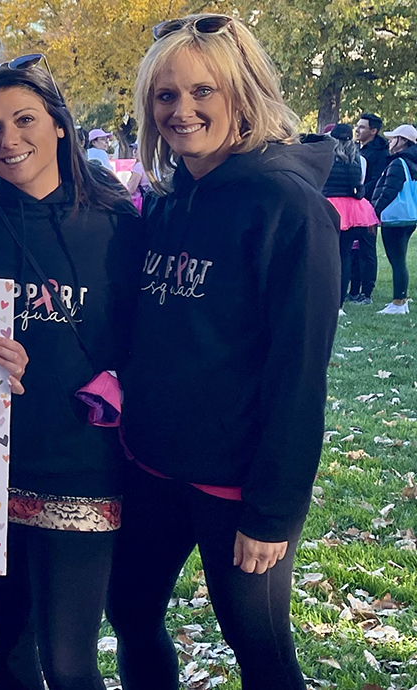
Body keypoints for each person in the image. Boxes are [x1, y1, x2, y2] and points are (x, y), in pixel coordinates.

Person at [108, 14, 339, 689]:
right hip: (150, 466)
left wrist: (272, 511)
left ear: (243, 94)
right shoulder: (171, 197)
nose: (182, 111)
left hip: (236, 485)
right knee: (129, 612)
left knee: (258, 647)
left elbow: (299, 374)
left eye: (203, 91)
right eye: (166, 95)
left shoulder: (288, 208)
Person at [0, 56, 139, 690]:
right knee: (10, 648)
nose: (9, 140)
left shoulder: (117, 220)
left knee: (69, 659)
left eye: (25, 120)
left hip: (86, 463)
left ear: (59, 125)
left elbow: (146, 342)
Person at [322, 123, 379, 309]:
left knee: (326, 254)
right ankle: (339, 303)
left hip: (328, 204)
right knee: (345, 254)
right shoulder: (356, 158)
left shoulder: (326, 157)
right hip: (352, 208)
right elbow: (358, 186)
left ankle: (325, 296)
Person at [371, 123, 417, 315]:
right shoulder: (412, 161)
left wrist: (375, 212)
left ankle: (399, 302)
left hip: (395, 219)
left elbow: (389, 190)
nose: (389, 142)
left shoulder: (399, 163)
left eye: (393, 139)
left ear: (402, 141)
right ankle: (401, 299)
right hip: (409, 218)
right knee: (400, 259)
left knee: (397, 260)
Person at [348, 112, 388, 304]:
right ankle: (353, 289)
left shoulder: (380, 152)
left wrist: (361, 192)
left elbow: (377, 180)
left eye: (362, 126)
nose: (357, 129)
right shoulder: (355, 148)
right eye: (357, 125)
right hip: (354, 205)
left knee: (367, 250)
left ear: (373, 130)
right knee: (352, 249)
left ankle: (367, 292)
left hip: (368, 205)